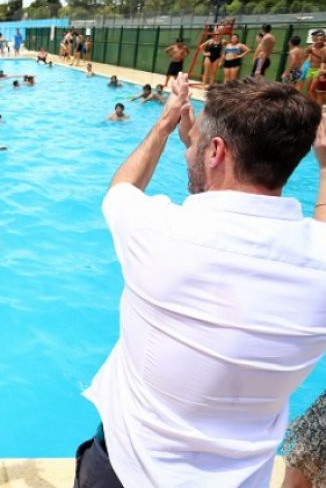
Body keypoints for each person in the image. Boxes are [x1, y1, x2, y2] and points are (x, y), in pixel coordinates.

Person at [76, 75, 326, 487]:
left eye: (194, 142)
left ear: (216, 151)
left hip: (126, 471)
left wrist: (165, 122)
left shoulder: (158, 232)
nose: (186, 148)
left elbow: (121, 189)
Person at [302, 30, 326, 97]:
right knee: (308, 88)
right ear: (315, 39)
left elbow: (323, 61)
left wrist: (314, 53)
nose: (320, 41)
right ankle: (311, 102)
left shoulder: (324, 48)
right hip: (311, 69)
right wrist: (306, 52)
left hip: (319, 70)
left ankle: (316, 103)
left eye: (321, 40)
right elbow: (304, 56)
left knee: (312, 89)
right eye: (318, 39)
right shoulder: (311, 47)